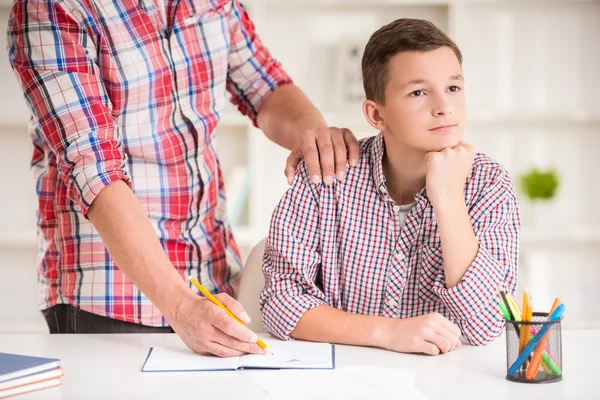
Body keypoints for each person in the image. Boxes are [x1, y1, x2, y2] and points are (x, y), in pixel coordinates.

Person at [6, 0, 359, 358]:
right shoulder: (53, 7)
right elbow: (93, 166)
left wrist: (314, 136)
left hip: (214, 272)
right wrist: (180, 306)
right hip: (113, 296)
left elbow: (264, 84)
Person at [260, 18, 520, 355]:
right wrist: (389, 333)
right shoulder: (327, 176)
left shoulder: (489, 184)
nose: (444, 107)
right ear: (376, 115)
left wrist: (448, 199)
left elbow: (486, 326)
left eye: (453, 87)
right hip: (344, 380)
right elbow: (280, 304)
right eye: (418, 92)